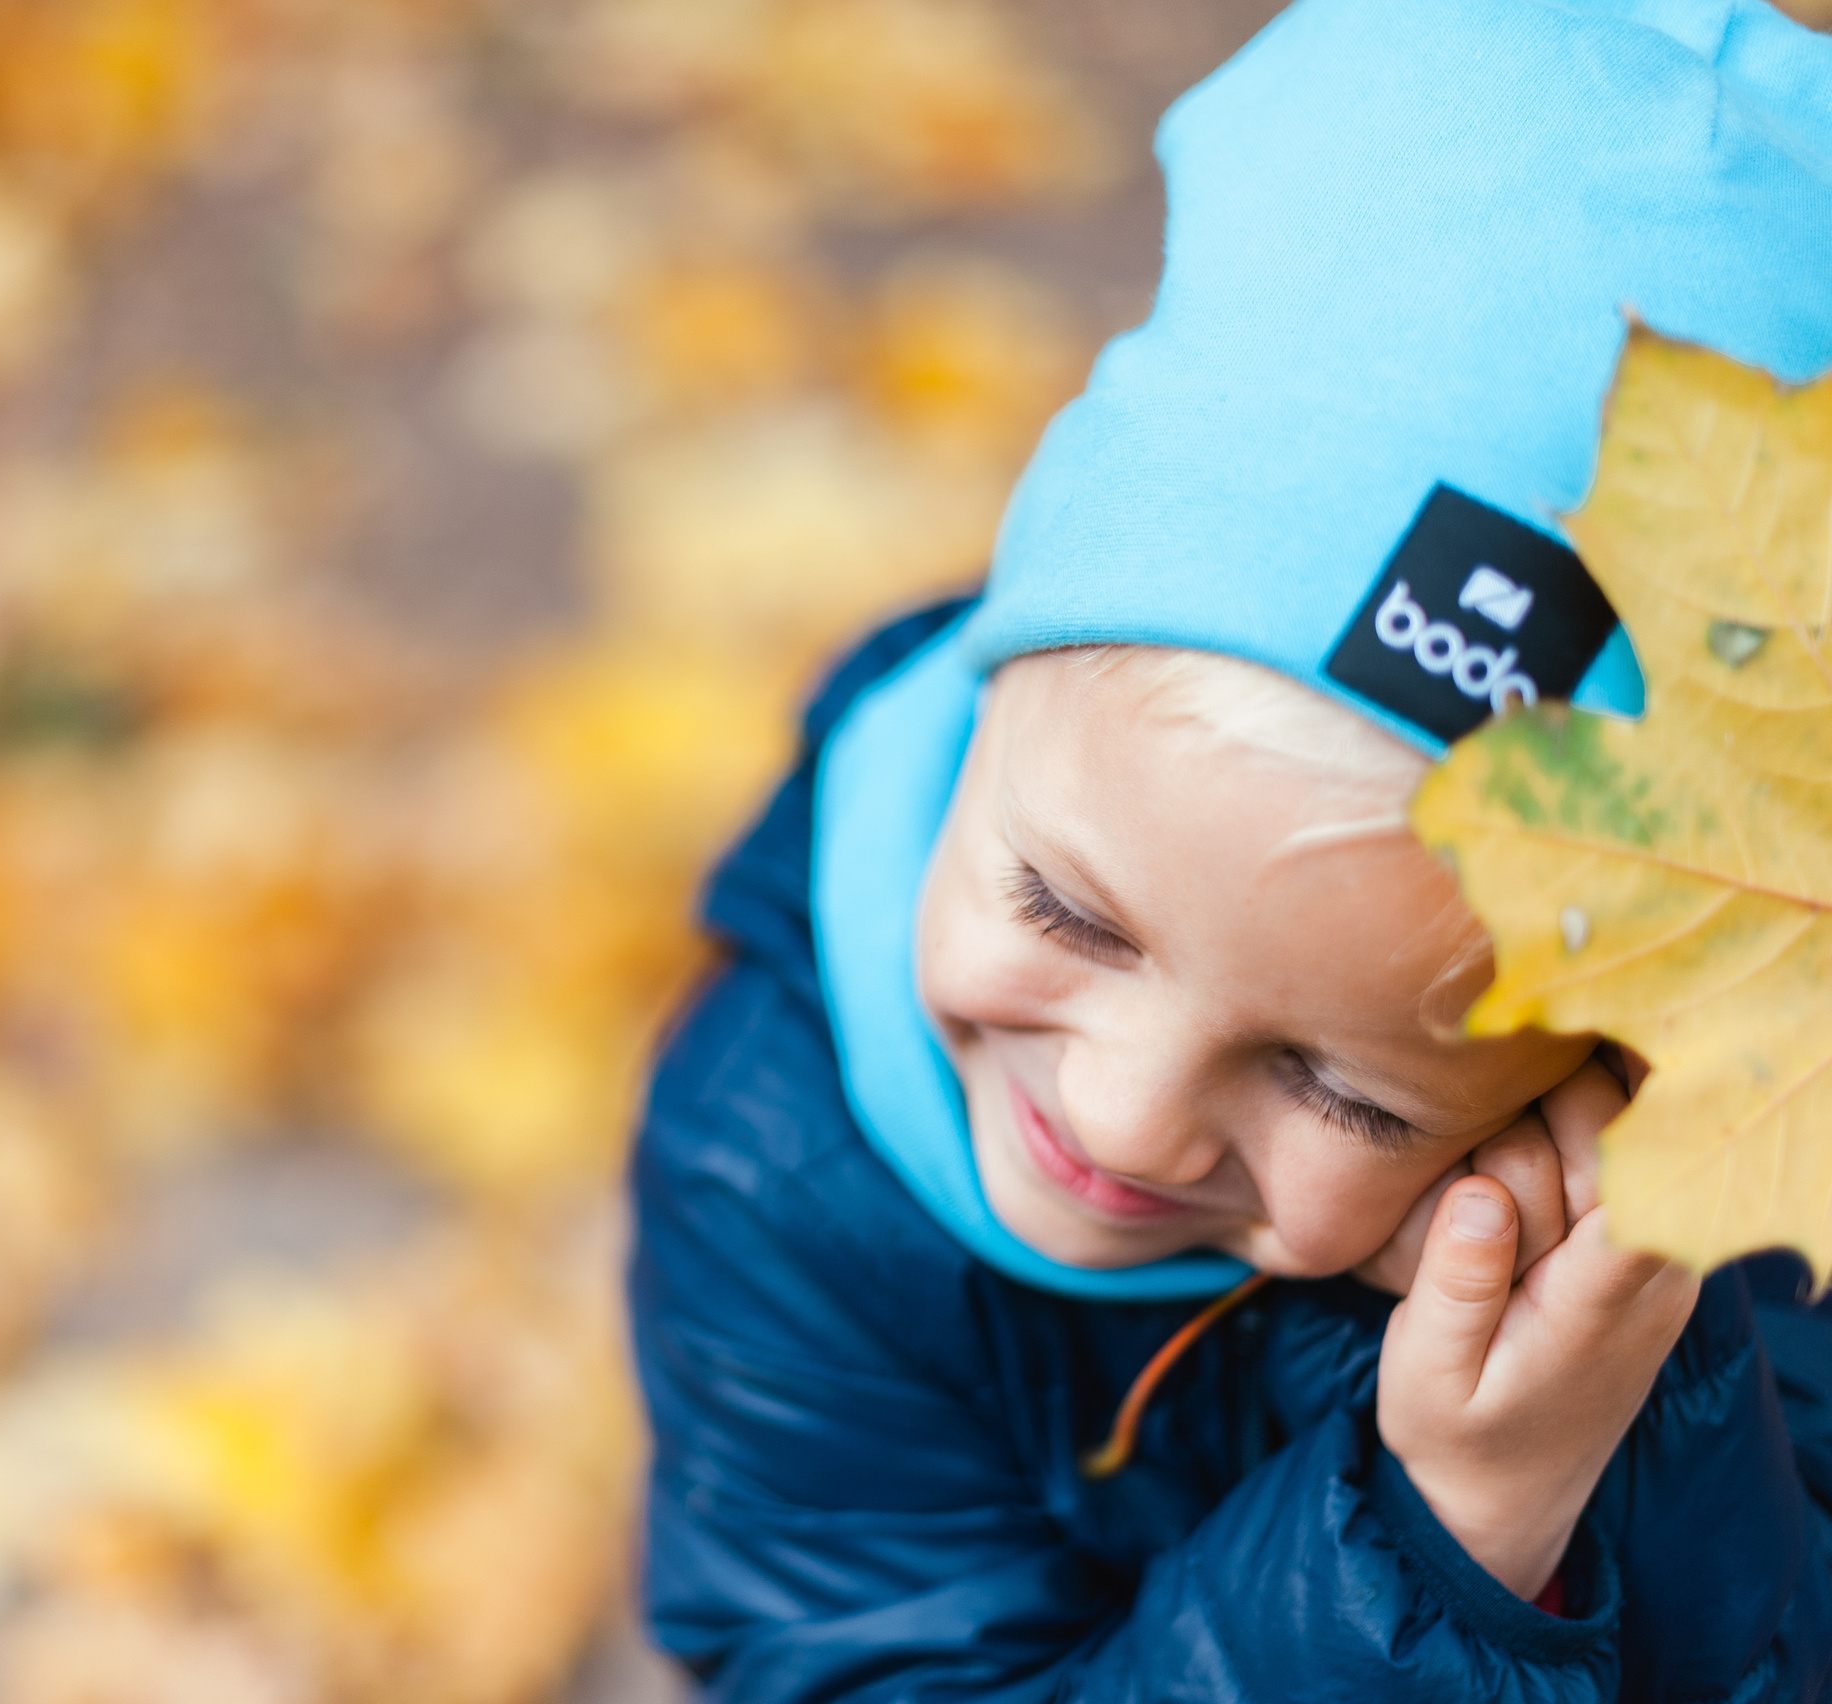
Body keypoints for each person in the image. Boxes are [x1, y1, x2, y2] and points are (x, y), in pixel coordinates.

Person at [626, 0, 1832, 1697]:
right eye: (1061, 907)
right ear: (997, 703)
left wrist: (1608, 1418)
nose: (1118, 1118)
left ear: (1618, 1067)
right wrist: (1435, 1546)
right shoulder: (783, 1165)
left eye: (1347, 1092)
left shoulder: (1761, 1182)